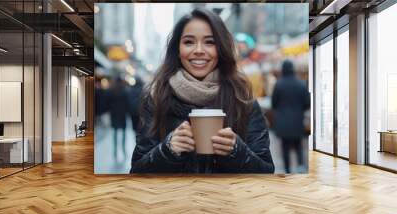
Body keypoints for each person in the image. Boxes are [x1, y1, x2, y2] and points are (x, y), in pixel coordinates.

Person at [130, 8, 274, 173]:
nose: (198, 50)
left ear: (221, 49)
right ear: (178, 50)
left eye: (210, 42)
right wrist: (167, 150)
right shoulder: (156, 98)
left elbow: (266, 171)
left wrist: (236, 151)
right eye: (189, 42)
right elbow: (136, 171)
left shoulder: (242, 99)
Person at [271, 60, 310, 173]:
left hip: (283, 122)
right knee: (298, 146)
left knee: (285, 148)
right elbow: (307, 103)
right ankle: (301, 167)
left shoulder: (278, 84)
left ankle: (287, 169)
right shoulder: (301, 84)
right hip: (298, 121)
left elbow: (274, 103)